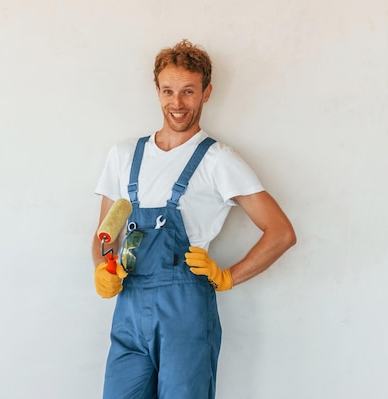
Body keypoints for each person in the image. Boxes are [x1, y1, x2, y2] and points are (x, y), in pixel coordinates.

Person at [91, 39, 296, 399]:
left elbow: (280, 232)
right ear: (157, 91)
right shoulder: (124, 155)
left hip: (185, 313)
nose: (178, 102)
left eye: (188, 91)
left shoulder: (218, 160)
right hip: (130, 308)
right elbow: (104, 234)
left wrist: (227, 277)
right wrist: (101, 269)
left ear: (206, 92)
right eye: (169, 91)